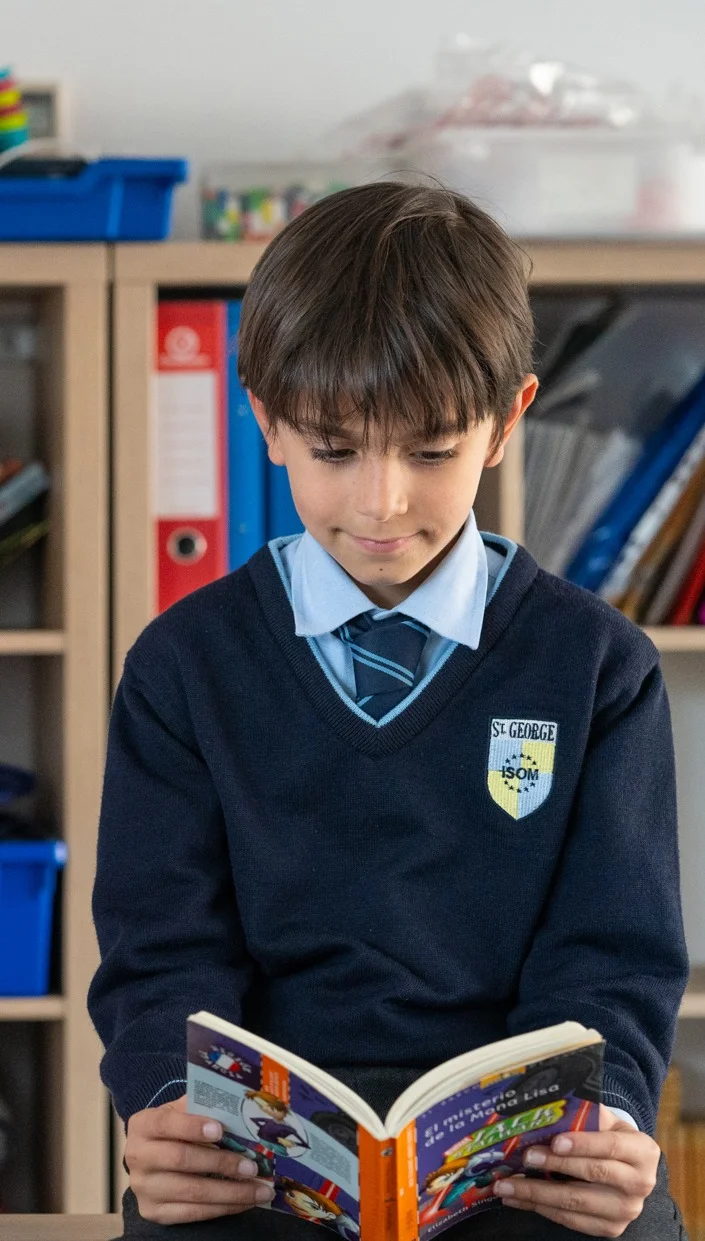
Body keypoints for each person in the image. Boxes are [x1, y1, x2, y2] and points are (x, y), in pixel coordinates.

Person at [88, 182, 689, 1240]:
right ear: (265, 419)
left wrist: (610, 1121)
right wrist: (161, 1102)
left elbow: (616, 954)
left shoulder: (599, 667)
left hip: (514, 1155)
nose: (380, 503)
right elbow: (160, 949)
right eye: (333, 449)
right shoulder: (185, 666)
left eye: (428, 450)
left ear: (507, 422)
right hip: (263, 1153)